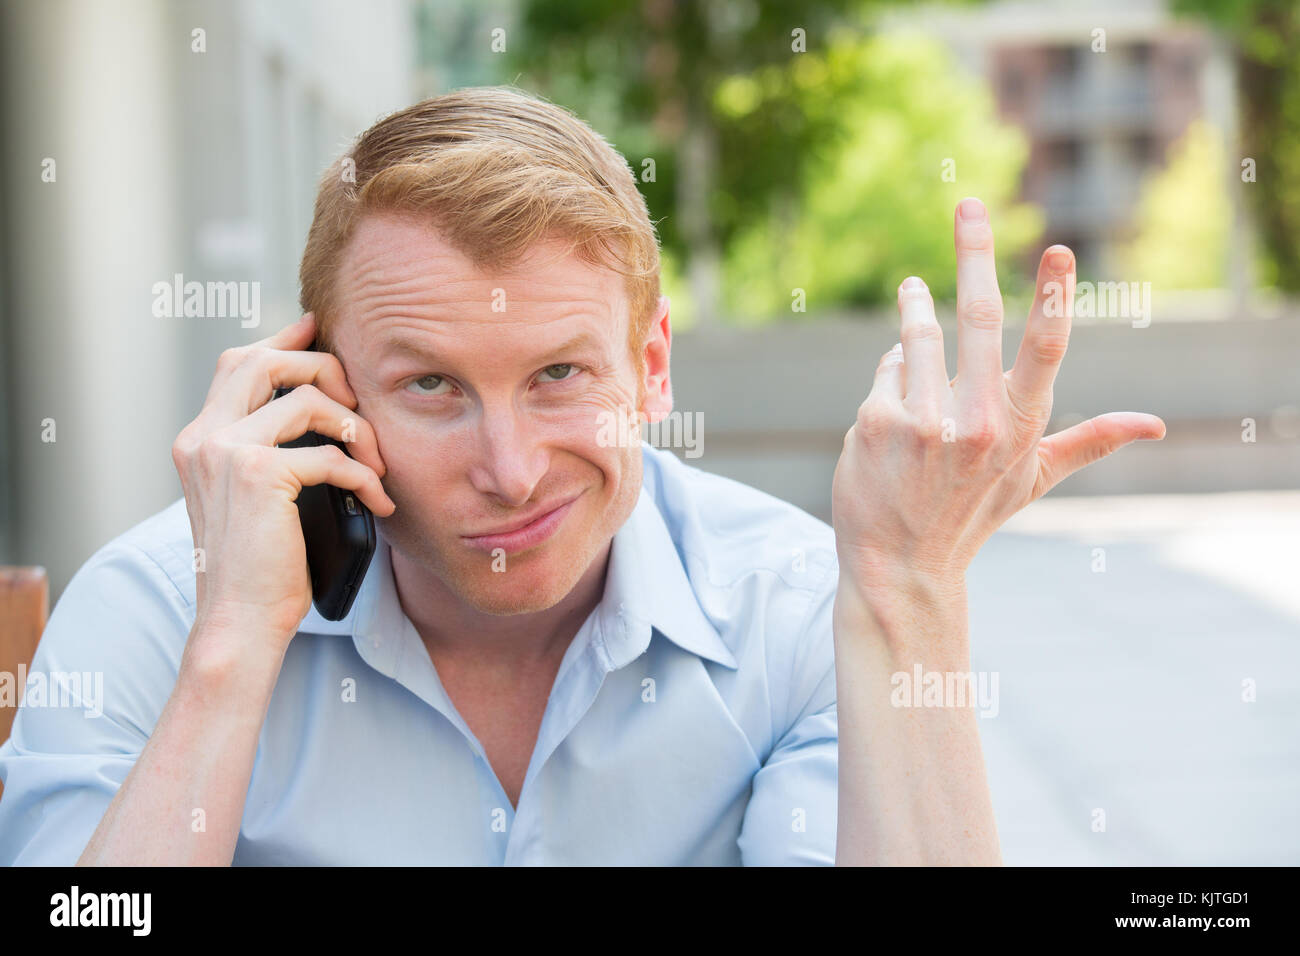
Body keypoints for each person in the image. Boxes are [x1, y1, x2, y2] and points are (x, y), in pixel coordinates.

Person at [0, 86, 1163, 865]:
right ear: (317, 387)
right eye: (432, 387)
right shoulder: (160, 609)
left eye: (559, 373)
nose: (509, 472)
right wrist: (230, 651)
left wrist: (911, 589)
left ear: (651, 367)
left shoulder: (803, 605)